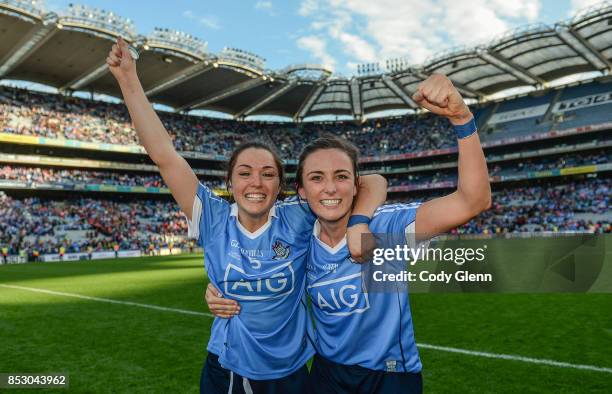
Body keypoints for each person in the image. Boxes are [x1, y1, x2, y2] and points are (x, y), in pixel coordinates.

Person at [106, 37, 387, 394]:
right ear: (230, 182)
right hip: (230, 370)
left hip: (292, 372)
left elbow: (373, 181)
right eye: (245, 173)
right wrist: (128, 80)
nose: (256, 182)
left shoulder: (298, 217)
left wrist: (360, 222)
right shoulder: (213, 218)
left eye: (268, 173)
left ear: (281, 185)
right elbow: (164, 155)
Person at [206, 74, 491, 393]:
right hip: (326, 375)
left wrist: (462, 119)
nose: (329, 188)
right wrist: (217, 289)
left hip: (389, 375)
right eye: (316, 178)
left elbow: (473, 201)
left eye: (341, 176)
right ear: (301, 190)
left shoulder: (384, 230)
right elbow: (262, 273)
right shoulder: (299, 240)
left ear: (356, 185)